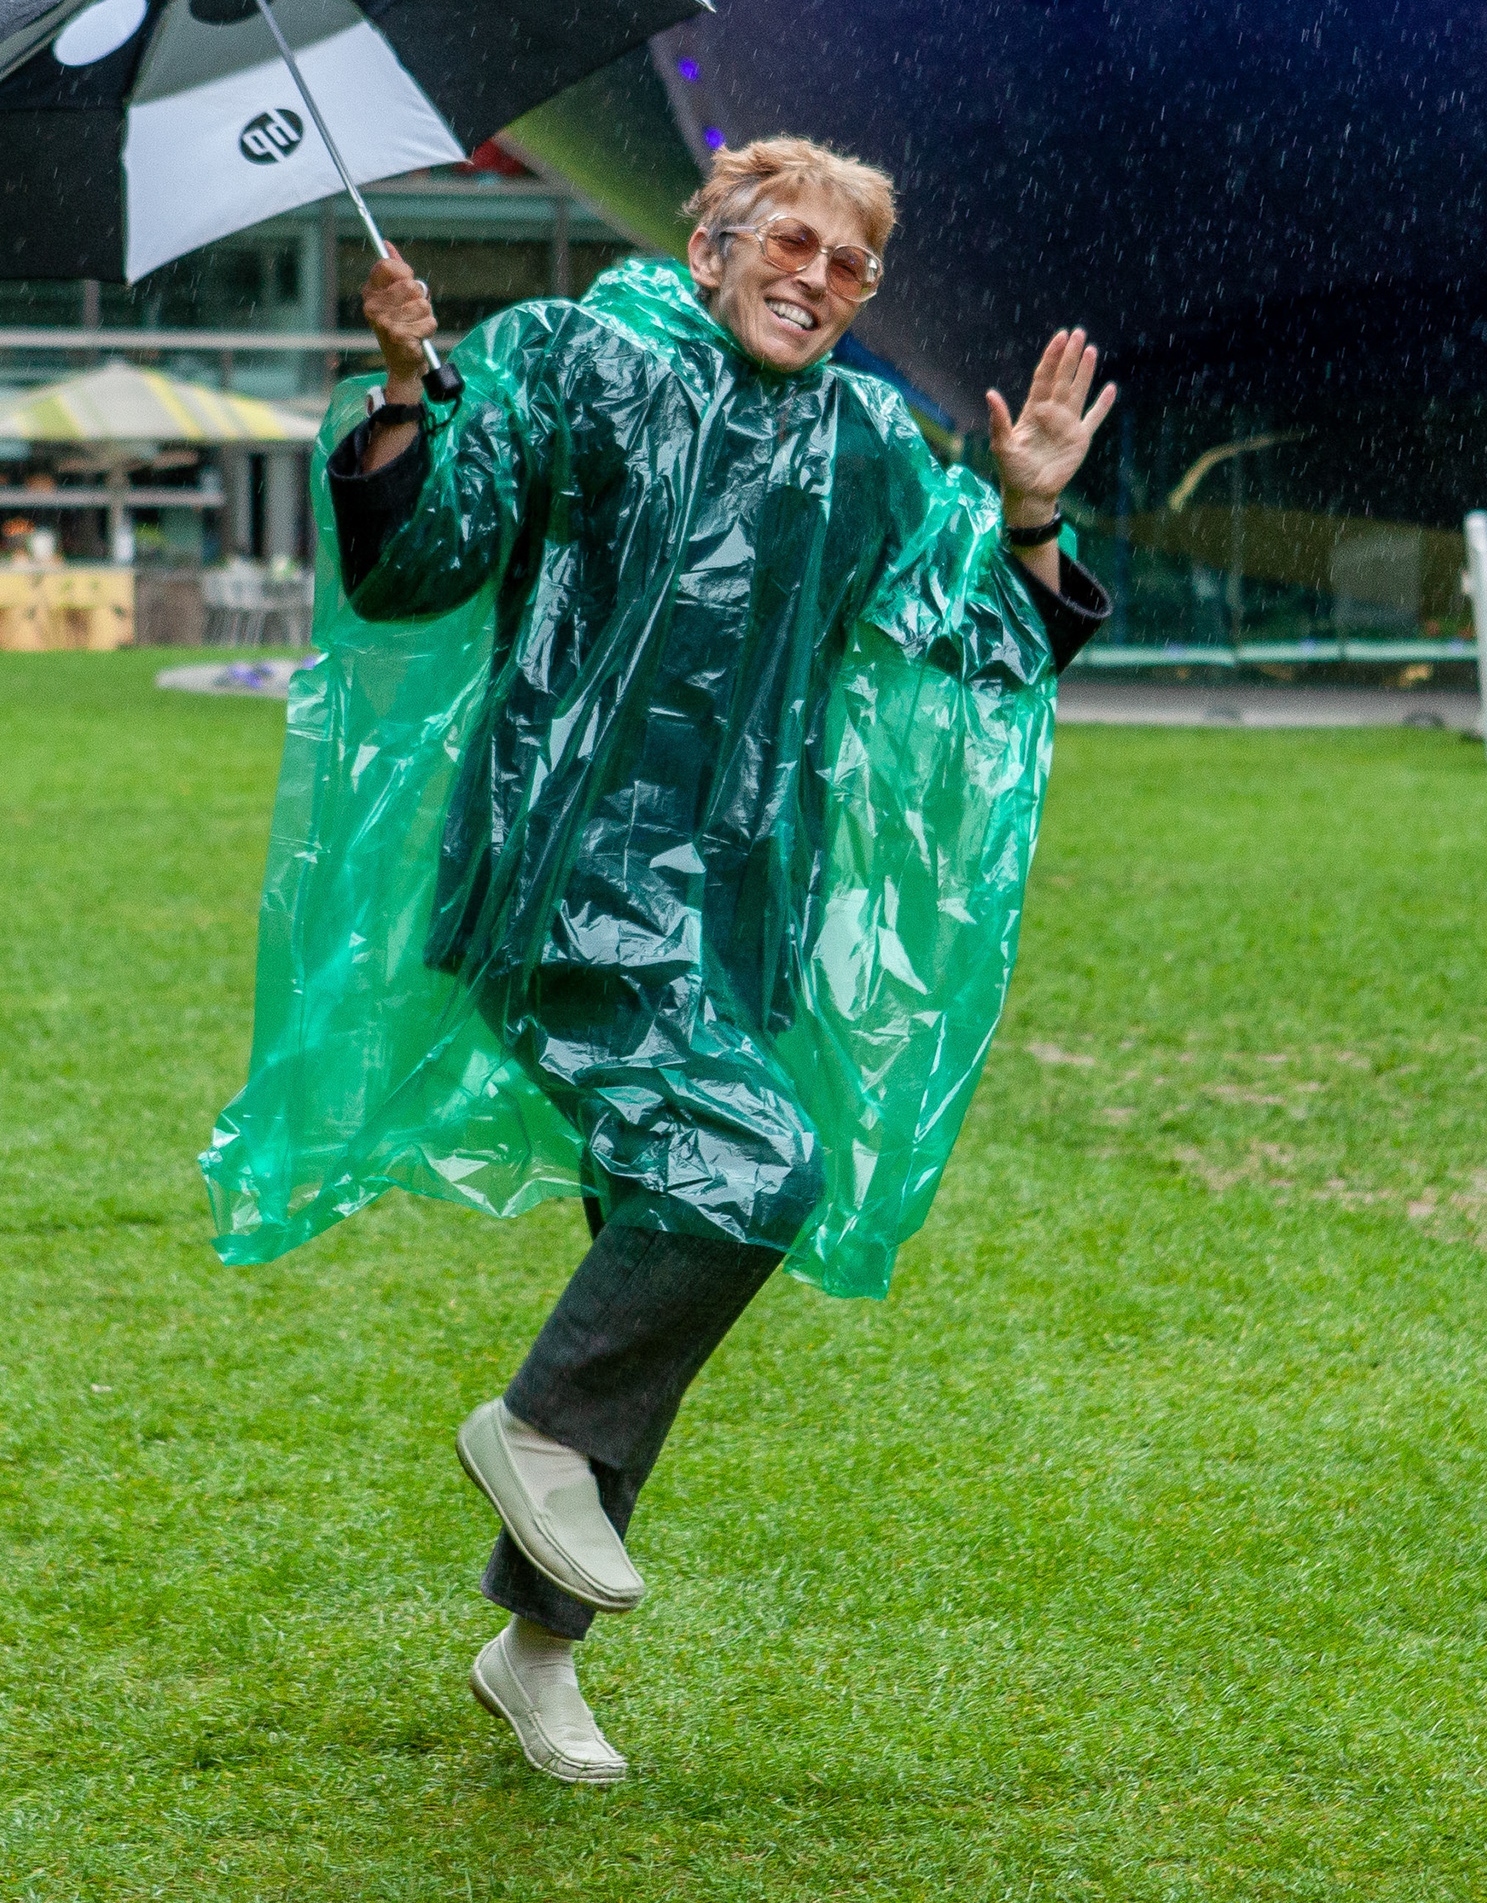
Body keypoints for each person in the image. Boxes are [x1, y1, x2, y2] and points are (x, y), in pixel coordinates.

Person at [198, 136, 1116, 1786]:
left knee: (661, 1256)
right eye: (790, 241)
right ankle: (533, 1428)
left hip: (732, 916)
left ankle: (531, 1649)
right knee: (753, 1170)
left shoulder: (860, 447)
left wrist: (1029, 507)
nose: (815, 279)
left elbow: (981, 641)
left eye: (848, 265)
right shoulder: (577, 358)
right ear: (712, 246)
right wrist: (414, 390)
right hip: (564, 886)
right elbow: (420, 561)